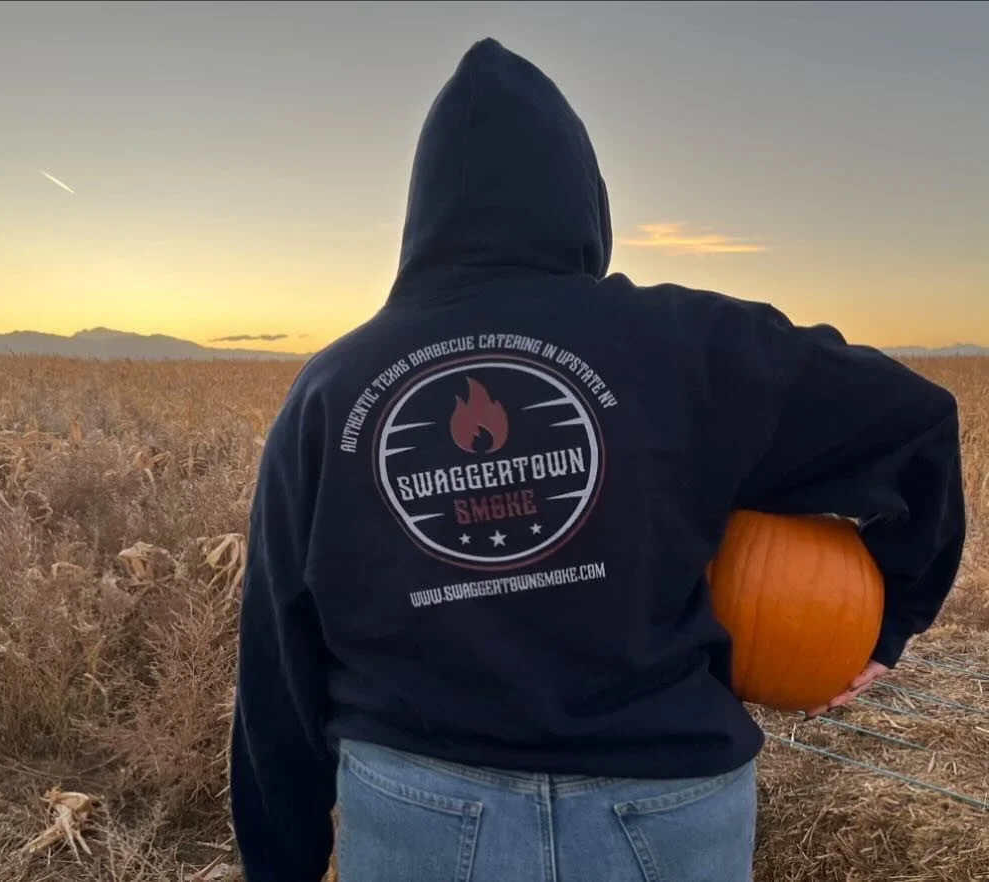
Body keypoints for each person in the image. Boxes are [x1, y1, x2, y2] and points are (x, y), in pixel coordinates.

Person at [228, 37, 966, 882]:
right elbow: (914, 419)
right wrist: (889, 616)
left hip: (423, 806)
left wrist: (280, 860)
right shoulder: (693, 344)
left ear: (423, 208)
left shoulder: (334, 387)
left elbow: (277, 645)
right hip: (666, 804)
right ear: (584, 198)